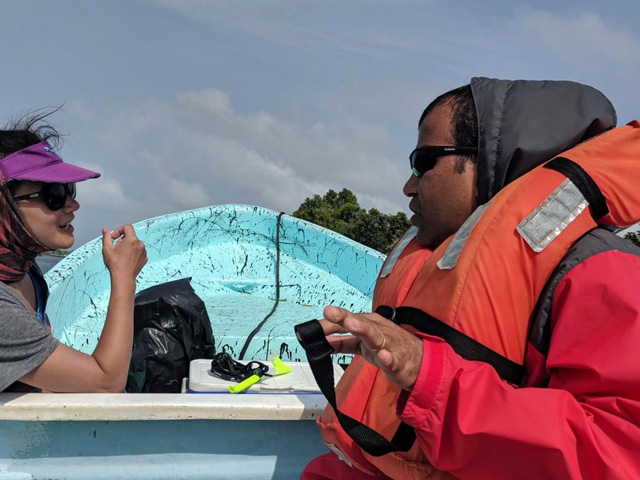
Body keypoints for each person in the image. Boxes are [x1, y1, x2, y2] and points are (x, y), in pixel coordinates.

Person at [300, 78, 640, 479]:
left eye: (423, 162)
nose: (409, 185)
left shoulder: (602, 270)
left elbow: (615, 455)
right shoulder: (434, 266)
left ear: (487, 163)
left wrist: (427, 378)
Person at [0, 113, 147, 393]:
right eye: (53, 194)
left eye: (69, 190)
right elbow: (106, 382)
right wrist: (124, 277)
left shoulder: (26, 270)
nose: (72, 206)